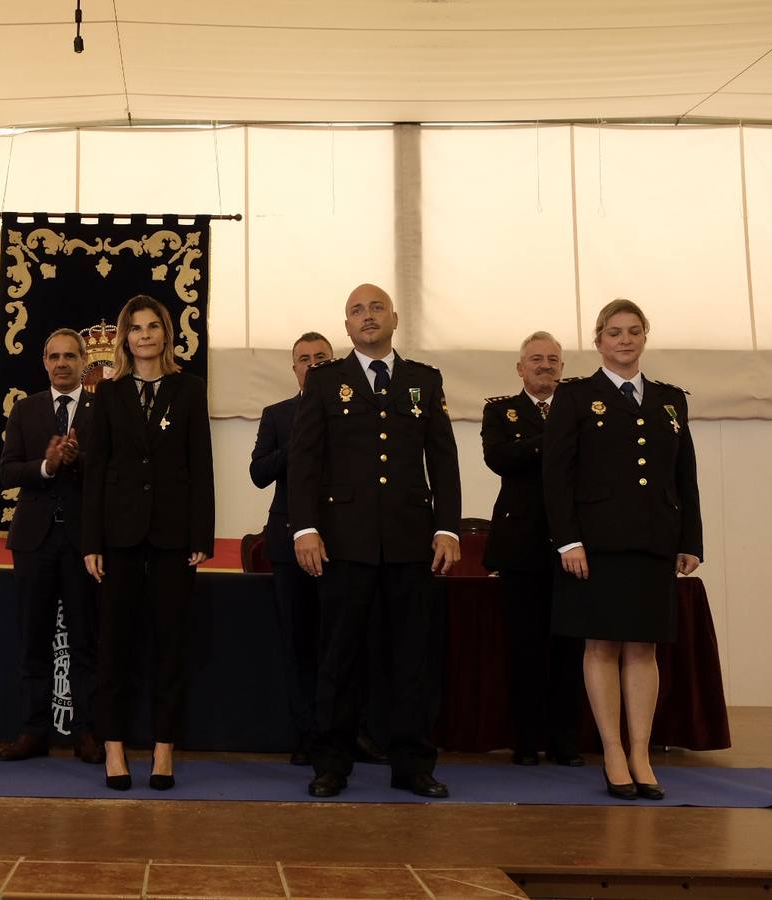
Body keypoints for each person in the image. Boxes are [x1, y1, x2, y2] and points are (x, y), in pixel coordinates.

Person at [288, 283, 461, 799]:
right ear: (346, 327)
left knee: (412, 658)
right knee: (338, 658)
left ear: (395, 318)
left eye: (376, 308)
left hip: (410, 543)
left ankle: (412, 763)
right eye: (357, 311)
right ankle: (332, 762)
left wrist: (447, 528)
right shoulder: (325, 381)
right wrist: (305, 528)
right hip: (343, 544)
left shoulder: (423, 381)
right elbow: (304, 462)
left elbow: (444, 461)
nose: (367, 317)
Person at [544, 298, 702, 801]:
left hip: (654, 541)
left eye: (634, 331)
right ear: (598, 341)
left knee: (643, 647)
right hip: (596, 545)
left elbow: (686, 476)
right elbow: (557, 476)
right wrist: (568, 539)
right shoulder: (574, 397)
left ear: (645, 337)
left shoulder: (669, 399)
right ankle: (612, 749)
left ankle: (640, 751)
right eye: (615, 332)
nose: (625, 340)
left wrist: (690, 539)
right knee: (602, 645)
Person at [83, 294, 215, 791]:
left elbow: (200, 465)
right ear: (124, 338)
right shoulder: (108, 393)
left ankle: (163, 750)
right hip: (117, 536)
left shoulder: (189, 389)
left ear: (166, 333)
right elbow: (96, 471)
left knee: (170, 645)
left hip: (172, 536)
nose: (144, 335)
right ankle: (113, 748)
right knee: (114, 644)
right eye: (135, 328)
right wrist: (91, 540)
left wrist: (201, 532)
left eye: (153, 326)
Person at [0, 328, 104, 766]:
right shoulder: (25, 409)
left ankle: (87, 733)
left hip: (85, 544)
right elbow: (8, 472)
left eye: (70, 356)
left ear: (85, 362)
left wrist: (80, 462)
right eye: (54, 356)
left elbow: (117, 473)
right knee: (32, 640)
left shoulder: (103, 409)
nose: (62, 363)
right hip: (34, 542)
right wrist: (47, 465)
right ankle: (33, 730)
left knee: (86, 643)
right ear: (44, 362)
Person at [481, 331, 584, 768]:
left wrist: (544, 441)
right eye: (536, 359)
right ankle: (525, 741)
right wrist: (555, 439)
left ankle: (564, 742)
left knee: (569, 650)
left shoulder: (581, 408)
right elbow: (501, 458)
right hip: (520, 547)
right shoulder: (499, 410)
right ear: (520, 368)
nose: (545, 365)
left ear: (562, 367)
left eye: (553, 359)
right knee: (523, 650)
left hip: (572, 546)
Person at [250, 331, 332, 765]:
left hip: (341, 543)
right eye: (305, 359)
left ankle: (343, 734)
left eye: (322, 358)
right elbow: (258, 473)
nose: (313, 365)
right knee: (298, 645)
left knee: (338, 644)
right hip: (287, 543)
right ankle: (307, 737)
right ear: (294, 367)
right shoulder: (278, 415)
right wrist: (296, 441)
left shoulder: (352, 411)